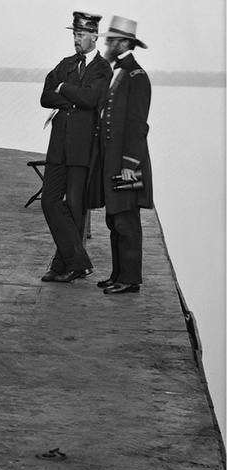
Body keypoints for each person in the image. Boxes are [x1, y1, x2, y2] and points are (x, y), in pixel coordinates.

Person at [39, 11, 112, 282]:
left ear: (94, 35)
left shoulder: (102, 69)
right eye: (74, 34)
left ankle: (62, 265)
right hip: (58, 146)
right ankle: (78, 261)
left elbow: (91, 97)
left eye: (80, 34)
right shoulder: (66, 64)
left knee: (75, 208)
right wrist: (72, 99)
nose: (76, 39)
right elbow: (45, 97)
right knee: (49, 201)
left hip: (82, 148)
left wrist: (63, 89)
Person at [87, 16, 153, 294]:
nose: (106, 43)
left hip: (128, 164)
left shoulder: (137, 76)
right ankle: (118, 275)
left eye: (111, 40)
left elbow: (138, 125)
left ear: (124, 43)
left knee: (127, 221)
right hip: (113, 161)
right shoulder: (119, 72)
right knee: (114, 219)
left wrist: (129, 164)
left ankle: (130, 279)